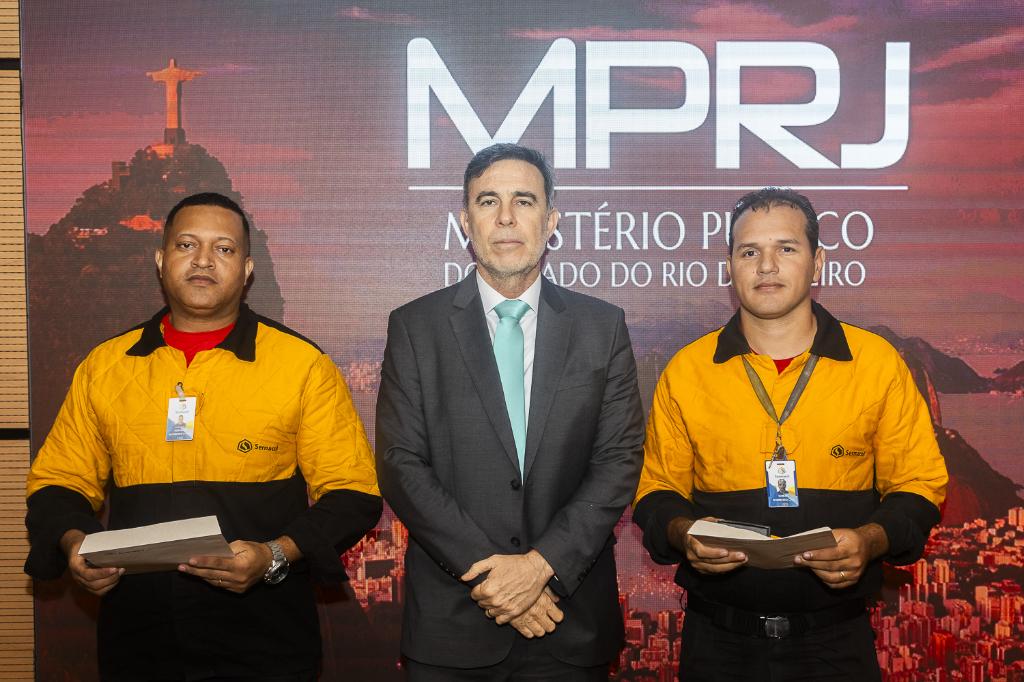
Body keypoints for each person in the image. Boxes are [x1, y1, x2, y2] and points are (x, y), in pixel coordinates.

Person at [25, 192, 382, 681]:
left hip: (266, 642)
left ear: (248, 269)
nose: (203, 260)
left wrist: (273, 554)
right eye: (187, 245)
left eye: (224, 248)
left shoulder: (303, 366)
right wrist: (75, 544)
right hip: (138, 641)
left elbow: (352, 494)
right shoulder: (104, 367)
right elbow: (57, 483)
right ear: (160, 259)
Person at [633, 188, 948, 681]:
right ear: (729, 267)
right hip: (717, 644)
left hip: (836, 644)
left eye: (786, 248)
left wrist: (869, 540)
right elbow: (656, 491)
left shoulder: (876, 364)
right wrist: (683, 533)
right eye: (749, 252)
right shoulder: (687, 370)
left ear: (818, 262)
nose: (766, 266)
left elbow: (919, 484)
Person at [376, 143, 645, 680]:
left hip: (568, 621)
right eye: (487, 201)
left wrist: (542, 566)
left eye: (524, 201)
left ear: (551, 222)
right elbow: (401, 464)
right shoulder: (415, 327)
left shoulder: (602, 326)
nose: (505, 217)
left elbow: (617, 460)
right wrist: (495, 579)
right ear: (465, 222)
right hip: (453, 625)